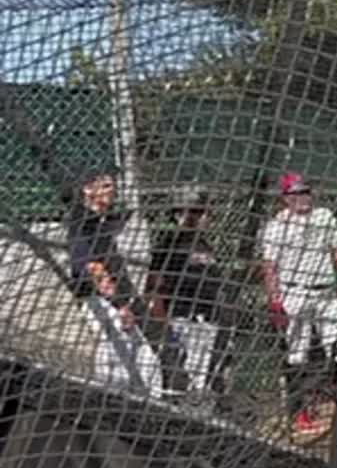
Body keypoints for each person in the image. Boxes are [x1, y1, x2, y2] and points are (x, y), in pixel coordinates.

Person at [257, 172, 337, 438]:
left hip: (325, 293)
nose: (302, 197)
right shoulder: (276, 226)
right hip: (295, 294)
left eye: (305, 192)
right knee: (297, 355)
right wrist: (275, 300)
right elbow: (269, 267)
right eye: (296, 193)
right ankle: (299, 412)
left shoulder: (324, 217)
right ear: (285, 198)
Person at [63, 164, 165, 393]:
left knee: (135, 357)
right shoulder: (82, 220)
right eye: (106, 186)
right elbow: (89, 267)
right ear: (88, 190)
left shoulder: (100, 221)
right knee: (130, 358)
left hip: (114, 299)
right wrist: (119, 305)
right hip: (101, 300)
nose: (113, 190)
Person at [151, 187, 230, 399]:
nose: (204, 217)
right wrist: (162, 322)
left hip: (207, 320)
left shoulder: (205, 245)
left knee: (203, 377)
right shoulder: (169, 245)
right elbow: (156, 285)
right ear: (179, 215)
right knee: (183, 376)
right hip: (183, 318)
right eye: (196, 212)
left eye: (204, 212)